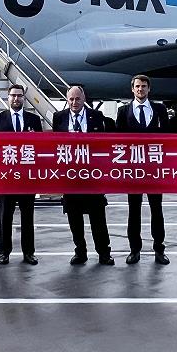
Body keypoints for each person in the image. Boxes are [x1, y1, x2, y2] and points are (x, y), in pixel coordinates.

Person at [52, 85, 113, 266]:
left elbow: (105, 144)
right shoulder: (59, 117)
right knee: (74, 217)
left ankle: (104, 253)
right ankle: (80, 252)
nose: (74, 102)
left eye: (77, 99)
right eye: (71, 99)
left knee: (98, 218)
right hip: (70, 177)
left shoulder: (97, 116)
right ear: (67, 100)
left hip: (93, 176)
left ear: (84, 99)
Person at [114, 74, 171, 265]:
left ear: (149, 89)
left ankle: (159, 249)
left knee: (157, 210)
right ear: (132, 89)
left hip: (154, 168)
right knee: (134, 210)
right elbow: (118, 140)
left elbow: (168, 137)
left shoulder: (160, 109)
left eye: (144, 86)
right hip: (133, 169)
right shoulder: (123, 111)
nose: (140, 89)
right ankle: (134, 250)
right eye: (137, 86)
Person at [0, 84, 43, 265]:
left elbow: (41, 148)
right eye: (13, 95)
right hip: (6, 179)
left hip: (27, 178)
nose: (16, 99)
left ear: (24, 98)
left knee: (28, 217)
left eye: (19, 96)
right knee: (5, 217)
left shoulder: (34, 120)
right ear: (8, 97)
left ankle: (29, 253)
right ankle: (4, 252)